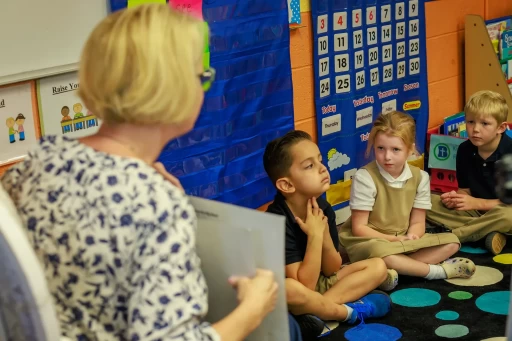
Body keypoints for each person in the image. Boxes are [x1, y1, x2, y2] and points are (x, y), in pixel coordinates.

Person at [1, 4, 281, 340]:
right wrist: (252, 310)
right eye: (201, 77)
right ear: (172, 86)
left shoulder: (33, 166)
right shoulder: (155, 205)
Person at [263, 130, 392, 335]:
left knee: (378, 266)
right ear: (286, 184)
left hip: (321, 284)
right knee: (289, 288)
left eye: (320, 160)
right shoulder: (276, 220)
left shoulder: (322, 207)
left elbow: (332, 268)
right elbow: (304, 284)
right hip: (298, 290)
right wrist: (314, 235)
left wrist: (322, 235)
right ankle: (346, 312)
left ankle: (317, 312)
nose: (323, 169)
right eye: (309, 166)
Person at [339, 111, 475, 290]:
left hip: (402, 240)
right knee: (382, 253)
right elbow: (359, 228)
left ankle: (391, 271)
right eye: (380, 148)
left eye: (395, 149)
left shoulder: (420, 177)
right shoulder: (365, 177)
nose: (387, 156)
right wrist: (393, 241)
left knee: (452, 242)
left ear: (410, 150)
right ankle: (436, 271)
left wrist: (413, 236)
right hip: (369, 241)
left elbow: (418, 222)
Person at [427, 90, 512, 255]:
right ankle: (487, 234)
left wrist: (477, 203)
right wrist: (456, 199)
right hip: (477, 213)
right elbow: (465, 189)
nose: (475, 129)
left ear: (501, 128)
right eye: (471, 122)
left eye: (484, 124)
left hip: (502, 210)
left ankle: (452, 236)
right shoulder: (464, 150)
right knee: (427, 201)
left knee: (509, 216)